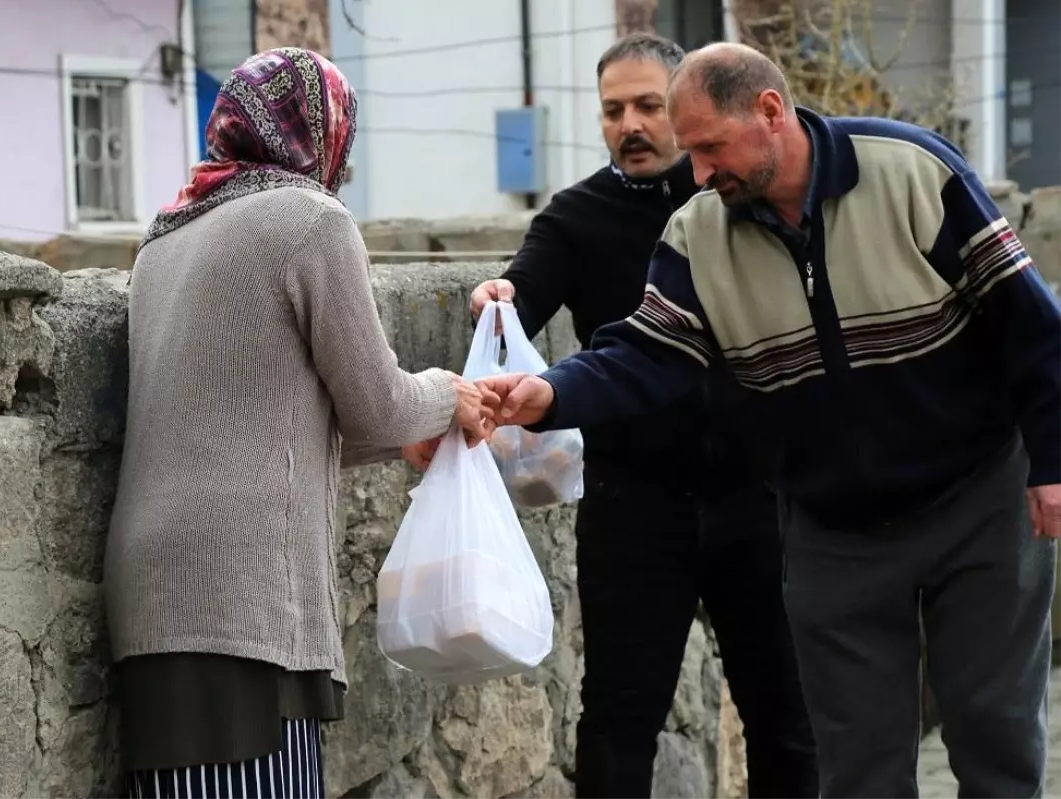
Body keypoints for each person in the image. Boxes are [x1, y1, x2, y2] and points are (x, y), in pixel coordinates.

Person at [481, 41, 1061, 799]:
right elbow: (645, 352)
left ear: (769, 111)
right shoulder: (698, 232)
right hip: (832, 529)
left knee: (993, 734)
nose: (697, 172)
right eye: (690, 152)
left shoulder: (916, 172)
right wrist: (549, 394)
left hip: (977, 498)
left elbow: (1032, 324)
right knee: (855, 763)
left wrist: (1051, 462)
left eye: (710, 146)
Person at [102, 47, 494, 799]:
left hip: (154, 586)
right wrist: (452, 393)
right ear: (326, 131)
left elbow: (253, 421)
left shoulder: (163, 239)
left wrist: (395, 441)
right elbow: (378, 399)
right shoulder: (309, 219)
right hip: (239, 589)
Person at [468, 33, 816, 798]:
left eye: (650, 106)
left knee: (785, 714)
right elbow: (523, 293)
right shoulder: (577, 216)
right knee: (620, 720)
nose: (631, 124)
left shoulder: (744, 196)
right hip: (634, 507)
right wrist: (498, 302)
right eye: (614, 110)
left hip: (758, 496)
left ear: (687, 107)